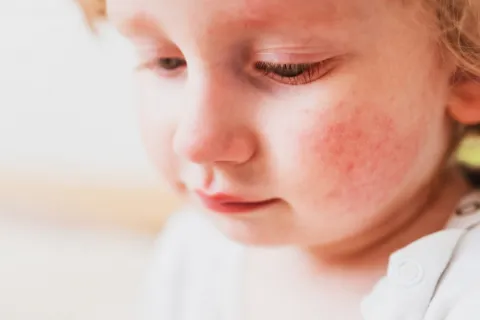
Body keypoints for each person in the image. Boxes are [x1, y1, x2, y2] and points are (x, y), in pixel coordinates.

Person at [107, 0, 480, 319]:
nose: (195, 142)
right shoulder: (195, 247)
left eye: (285, 66)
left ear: (467, 68)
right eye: (167, 61)